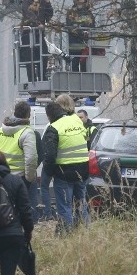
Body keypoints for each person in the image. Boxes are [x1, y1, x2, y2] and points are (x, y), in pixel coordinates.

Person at [43, 97, 90, 232]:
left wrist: (49, 171)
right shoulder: (76, 120)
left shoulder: (54, 128)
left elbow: (50, 156)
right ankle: (86, 233)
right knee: (81, 204)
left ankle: (67, 236)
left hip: (64, 173)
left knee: (65, 207)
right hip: (82, 170)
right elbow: (86, 142)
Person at [0, 100, 39, 221]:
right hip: (20, 178)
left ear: (14, 112)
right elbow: (31, 159)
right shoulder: (27, 132)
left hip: (2, 177)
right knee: (24, 210)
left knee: (5, 209)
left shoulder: (0, 131)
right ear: (28, 115)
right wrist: (29, 179)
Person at [20, 0, 53, 82]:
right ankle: (32, 80)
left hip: (39, 34)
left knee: (43, 54)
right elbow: (28, 13)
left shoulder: (44, 2)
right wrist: (37, 23)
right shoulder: (27, 1)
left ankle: (42, 78)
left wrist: (48, 3)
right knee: (29, 57)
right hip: (28, 34)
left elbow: (49, 14)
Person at [66, 0, 95, 72]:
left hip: (86, 43)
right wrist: (81, 32)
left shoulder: (88, 13)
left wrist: (88, 32)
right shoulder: (71, 12)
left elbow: (92, 26)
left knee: (85, 65)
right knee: (74, 64)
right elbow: (70, 27)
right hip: (74, 43)